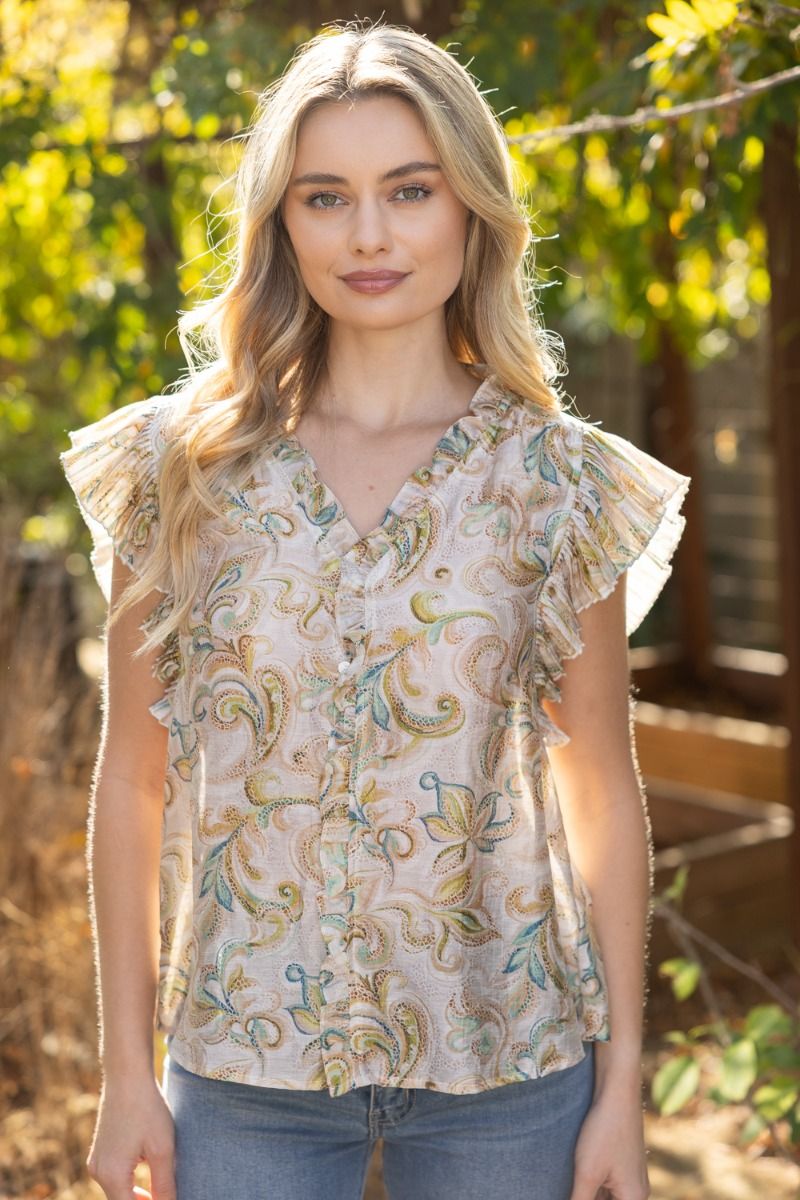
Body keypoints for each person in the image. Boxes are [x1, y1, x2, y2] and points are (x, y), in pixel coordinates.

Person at [60, 19, 690, 1200]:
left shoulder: (559, 484)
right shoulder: (177, 470)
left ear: (470, 208)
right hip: (242, 1072)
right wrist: (124, 1073)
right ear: (279, 222)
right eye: (323, 197)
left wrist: (618, 1091)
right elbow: (132, 783)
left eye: (408, 190)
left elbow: (601, 790)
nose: (367, 235)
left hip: (512, 1071)